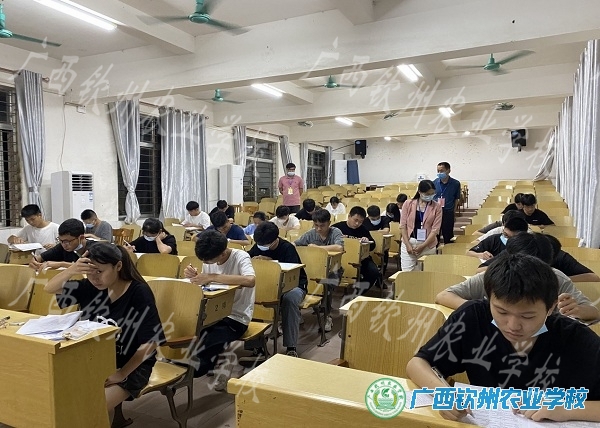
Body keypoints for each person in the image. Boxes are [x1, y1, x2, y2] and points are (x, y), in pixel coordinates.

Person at [408, 252, 600, 423]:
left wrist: (566, 409)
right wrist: (442, 393)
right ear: (489, 299)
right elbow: (418, 363)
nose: (512, 325)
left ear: (551, 308)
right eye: (501, 312)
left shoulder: (575, 338)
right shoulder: (473, 318)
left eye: (527, 316)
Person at [44, 243, 165, 412]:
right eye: (89, 272)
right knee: (56, 396)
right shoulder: (91, 287)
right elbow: (49, 288)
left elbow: (151, 342)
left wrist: (122, 373)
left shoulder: (139, 292)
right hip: (95, 359)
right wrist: (72, 269)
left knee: (91, 408)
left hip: (132, 364)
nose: (94, 278)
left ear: (118, 266)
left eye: (100, 272)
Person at [436, 233, 599, 322]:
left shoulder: (557, 279)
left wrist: (578, 310)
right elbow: (444, 295)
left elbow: (594, 312)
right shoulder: (495, 275)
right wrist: (483, 310)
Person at [183, 230, 255, 390]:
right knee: (186, 328)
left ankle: (191, 372)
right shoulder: (210, 258)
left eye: (208, 261)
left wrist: (212, 277)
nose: (206, 263)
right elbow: (208, 285)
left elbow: (250, 280)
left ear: (222, 254)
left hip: (236, 316)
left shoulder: (240, 256)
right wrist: (195, 276)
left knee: (211, 339)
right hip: (212, 313)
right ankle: (181, 366)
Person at [246, 222, 308, 359]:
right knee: (253, 294)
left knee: (290, 299)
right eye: (259, 244)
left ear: (275, 240)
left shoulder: (287, 248)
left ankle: (291, 347)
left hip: (294, 286)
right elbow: (247, 259)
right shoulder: (258, 245)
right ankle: (257, 346)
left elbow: (293, 273)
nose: (261, 247)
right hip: (269, 285)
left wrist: (271, 262)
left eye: (265, 244)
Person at [294, 209, 344, 332]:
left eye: (322, 225)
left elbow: (339, 247)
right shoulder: (311, 234)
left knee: (326, 285)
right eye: (316, 225)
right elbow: (295, 244)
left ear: (329, 223)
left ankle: (327, 316)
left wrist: (317, 248)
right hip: (313, 269)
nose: (319, 229)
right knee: (296, 282)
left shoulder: (335, 232)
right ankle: (297, 314)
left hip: (333, 270)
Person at [333, 206, 381, 294]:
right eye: (355, 220)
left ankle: (358, 293)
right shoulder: (337, 228)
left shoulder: (363, 229)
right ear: (349, 216)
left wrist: (367, 240)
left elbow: (373, 245)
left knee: (373, 272)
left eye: (360, 222)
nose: (357, 223)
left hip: (361, 259)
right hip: (341, 259)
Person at [400, 180, 442, 271]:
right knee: (407, 273)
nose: (430, 196)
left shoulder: (437, 207)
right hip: (409, 242)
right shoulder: (408, 204)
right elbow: (403, 225)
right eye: (427, 194)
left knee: (426, 274)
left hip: (428, 245)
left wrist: (423, 246)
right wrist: (407, 244)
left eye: (432, 194)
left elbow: (435, 230)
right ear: (420, 192)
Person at [29, 218, 96, 270]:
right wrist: (34, 261)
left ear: (81, 238)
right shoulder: (61, 247)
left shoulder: (95, 248)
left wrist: (62, 264)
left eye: (67, 241)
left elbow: (91, 267)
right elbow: (39, 258)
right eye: (60, 240)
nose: (64, 245)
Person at [433, 162, 461, 244]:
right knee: (435, 235)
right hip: (435, 212)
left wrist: (453, 212)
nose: (439, 173)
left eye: (441, 171)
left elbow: (456, 199)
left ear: (448, 170)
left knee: (448, 235)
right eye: (438, 171)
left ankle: (449, 250)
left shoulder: (455, 183)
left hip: (448, 212)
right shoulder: (434, 183)